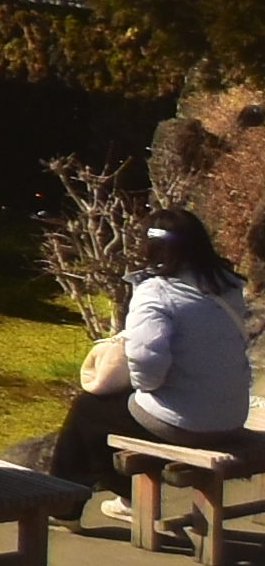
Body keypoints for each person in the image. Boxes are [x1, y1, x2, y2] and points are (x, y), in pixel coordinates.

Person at [41, 209, 263, 496]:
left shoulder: (156, 293)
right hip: (231, 417)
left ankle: (69, 502)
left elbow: (146, 364)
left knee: (88, 409)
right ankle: (121, 494)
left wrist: (139, 384)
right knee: (113, 412)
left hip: (186, 425)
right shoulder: (228, 286)